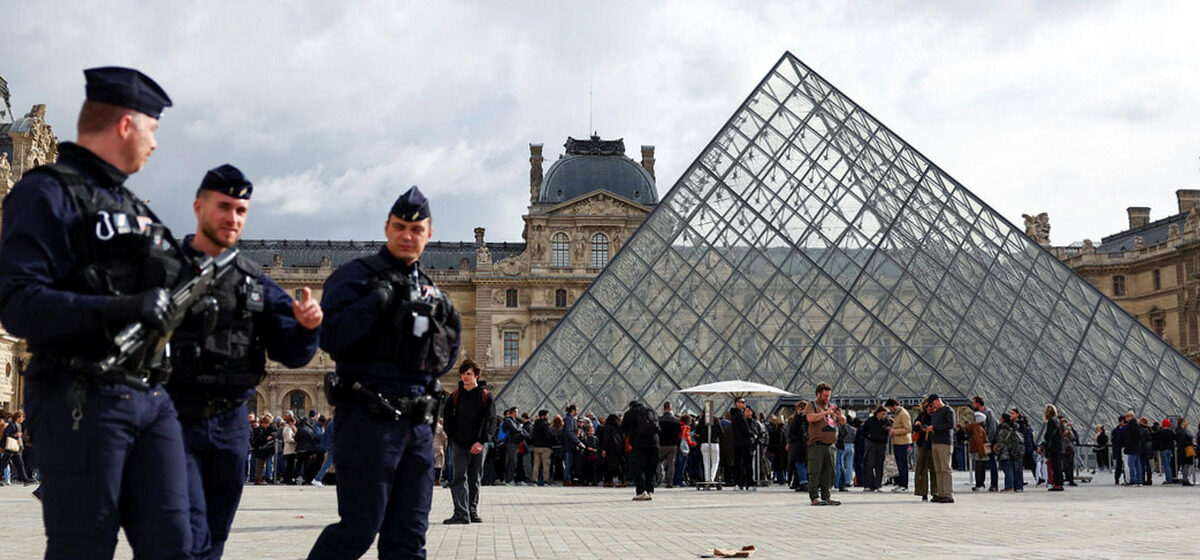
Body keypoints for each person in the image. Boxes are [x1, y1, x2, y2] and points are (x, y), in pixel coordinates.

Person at [0, 67, 194, 558]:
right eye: (153, 129)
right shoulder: (46, 193)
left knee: (176, 541)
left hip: (151, 394)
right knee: (84, 545)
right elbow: (18, 303)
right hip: (82, 393)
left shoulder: (133, 207)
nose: (155, 144)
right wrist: (121, 308)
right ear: (125, 126)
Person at [166, 164, 323, 558]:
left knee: (215, 531)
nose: (232, 217)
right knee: (182, 530)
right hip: (172, 416)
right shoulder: (163, 267)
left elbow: (291, 352)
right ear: (198, 206)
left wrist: (306, 328)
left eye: (240, 210)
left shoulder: (254, 281)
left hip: (231, 421)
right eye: (224, 206)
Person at [306, 186, 461, 560]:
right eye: (400, 227)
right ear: (387, 228)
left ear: (429, 233)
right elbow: (330, 337)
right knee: (359, 528)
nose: (408, 236)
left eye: (416, 229)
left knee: (408, 539)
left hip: (418, 429)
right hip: (367, 421)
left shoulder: (434, 294)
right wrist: (378, 302)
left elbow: (446, 357)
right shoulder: (354, 278)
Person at [441, 359, 495, 524]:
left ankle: (472, 511)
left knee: (475, 477)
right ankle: (460, 512)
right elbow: (448, 420)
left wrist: (481, 441)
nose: (465, 377)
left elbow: (490, 420)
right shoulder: (455, 396)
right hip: (459, 444)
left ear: (476, 375)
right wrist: (455, 438)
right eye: (463, 374)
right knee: (458, 478)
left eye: (469, 374)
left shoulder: (486, 396)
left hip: (479, 444)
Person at [803, 382, 844, 506]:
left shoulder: (831, 406)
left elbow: (843, 421)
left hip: (831, 445)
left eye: (829, 396)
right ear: (818, 394)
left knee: (829, 471)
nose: (827, 398)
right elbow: (810, 418)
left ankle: (826, 496)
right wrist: (826, 413)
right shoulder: (812, 405)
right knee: (815, 471)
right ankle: (814, 497)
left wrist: (839, 415)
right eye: (825, 396)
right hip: (817, 444)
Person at [622, 400, 660, 500]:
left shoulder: (630, 413)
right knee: (650, 468)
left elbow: (623, 428)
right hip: (654, 442)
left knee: (638, 467)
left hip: (639, 443)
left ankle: (641, 491)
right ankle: (649, 490)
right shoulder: (651, 411)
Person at [926, 394, 955, 503]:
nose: (932, 406)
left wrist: (935, 428)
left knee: (945, 469)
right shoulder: (936, 412)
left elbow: (950, 424)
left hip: (944, 442)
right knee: (938, 469)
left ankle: (948, 493)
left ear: (938, 400)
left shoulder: (948, 410)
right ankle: (941, 493)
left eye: (933, 404)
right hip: (935, 442)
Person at [885, 398, 911, 492]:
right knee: (899, 464)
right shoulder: (897, 414)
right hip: (897, 442)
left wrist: (894, 431)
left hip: (902, 442)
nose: (890, 410)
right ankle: (901, 484)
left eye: (890, 408)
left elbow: (908, 429)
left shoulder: (903, 414)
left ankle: (904, 485)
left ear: (894, 406)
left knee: (902, 464)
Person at [861, 406, 889, 492]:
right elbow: (863, 431)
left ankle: (878, 484)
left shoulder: (886, 421)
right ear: (878, 413)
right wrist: (868, 435)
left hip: (881, 444)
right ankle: (869, 484)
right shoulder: (870, 420)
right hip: (871, 443)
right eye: (882, 414)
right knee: (869, 464)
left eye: (885, 414)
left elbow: (888, 430)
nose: (884, 415)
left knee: (879, 464)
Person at [729, 397, 753, 490]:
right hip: (744, 443)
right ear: (737, 403)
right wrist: (752, 435)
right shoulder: (740, 415)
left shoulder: (734, 415)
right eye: (742, 402)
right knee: (747, 463)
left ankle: (738, 483)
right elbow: (745, 429)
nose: (744, 404)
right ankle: (749, 483)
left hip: (736, 443)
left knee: (737, 463)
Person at [912, 399, 934, 501]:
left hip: (934, 444)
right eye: (927, 407)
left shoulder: (937, 415)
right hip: (923, 444)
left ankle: (936, 491)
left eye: (930, 406)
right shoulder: (922, 416)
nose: (929, 408)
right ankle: (922, 492)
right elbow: (915, 428)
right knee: (921, 468)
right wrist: (917, 425)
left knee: (934, 470)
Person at [657, 402, 681, 488]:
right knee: (671, 464)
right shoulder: (676, 421)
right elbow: (679, 433)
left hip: (661, 444)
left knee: (657, 461)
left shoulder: (659, 420)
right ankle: (670, 482)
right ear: (671, 408)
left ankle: (660, 478)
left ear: (664, 408)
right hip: (672, 445)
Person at [786, 401, 808, 492]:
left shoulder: (798, 418)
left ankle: (803, 482)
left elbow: (792, 432)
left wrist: (791, 441)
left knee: (799, 463)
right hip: (806, 443)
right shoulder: (808, 418)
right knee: (805, 463)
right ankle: (802, 482)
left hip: (798, 444)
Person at [1042, 405, 1064, 491]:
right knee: (1058, 466)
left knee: (1055, 466)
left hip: (1054, 447)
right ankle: (1059, 483)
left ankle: (1057, 484)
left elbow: (1048, 435)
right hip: (1058, 446)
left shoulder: (1051, 421)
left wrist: (1045, 440)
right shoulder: (1057, 420)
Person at [529, 410, 554, 486]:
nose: (548, 417)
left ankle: (534, 481)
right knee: (546, 465)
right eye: (547, 415)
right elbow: (548, 436)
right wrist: (551, 444)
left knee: (536, 465)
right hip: (545, 447)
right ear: (543, 416)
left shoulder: (535, 425)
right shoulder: (546, 425)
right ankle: (546, 481)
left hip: (536, 447)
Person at [499, 407, 523, 484]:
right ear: (513, 412)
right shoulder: (508, 420)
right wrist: (520, 428)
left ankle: (510, 478)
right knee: (512, 461)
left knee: (512, 461)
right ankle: (509, 479)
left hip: (513, 442)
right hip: (510, 443)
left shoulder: (513, 421)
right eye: (517, 412)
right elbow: (515, 429)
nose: (517, 414)